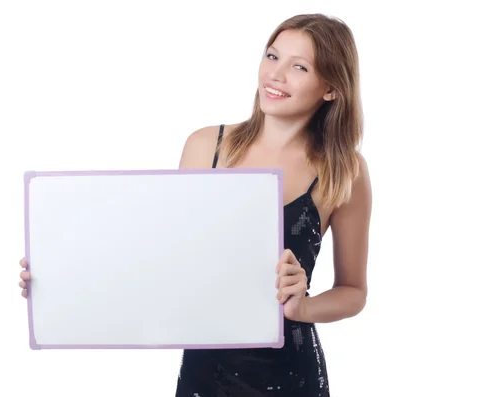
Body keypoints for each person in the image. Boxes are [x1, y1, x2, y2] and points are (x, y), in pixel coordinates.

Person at [19, 13, 371, 397]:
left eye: (298, 66)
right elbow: (165, 260)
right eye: (272, 56)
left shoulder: (344, 171)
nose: (276, 75)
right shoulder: (207, 146)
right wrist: (59, 279)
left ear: (332, 89)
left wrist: (303, 308)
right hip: (206, 375)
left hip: (292, 377)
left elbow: (353, 291)